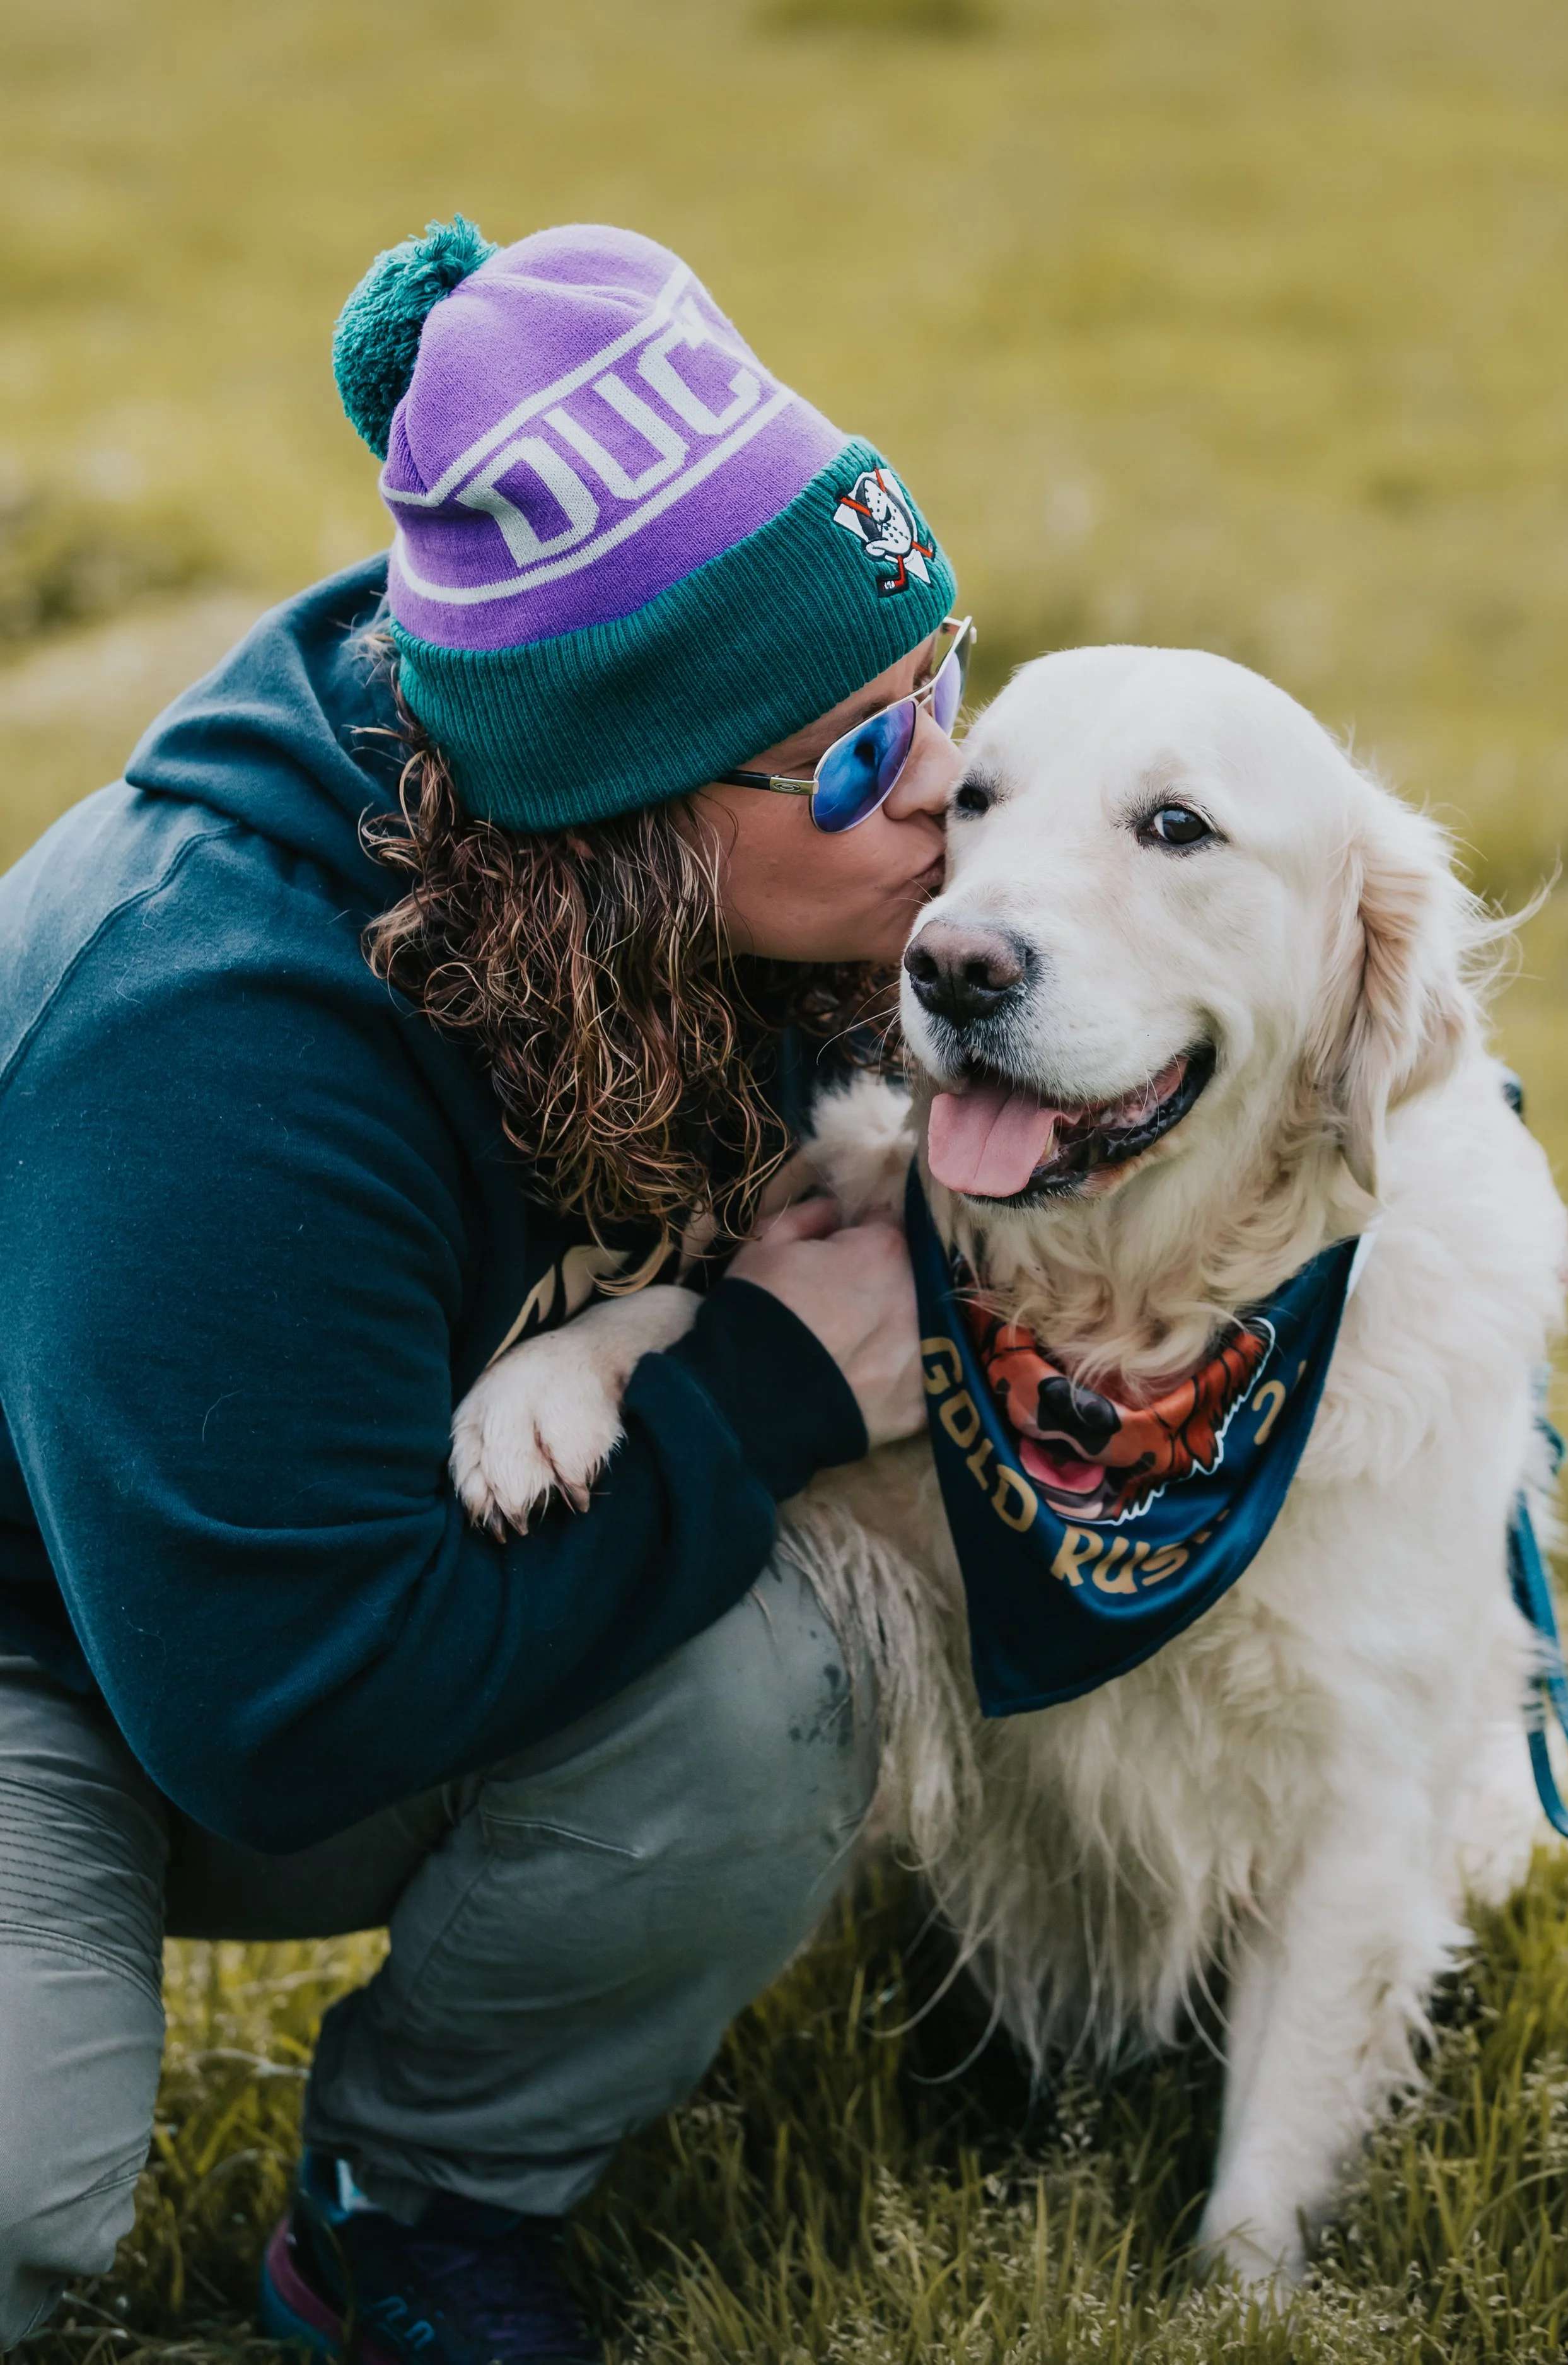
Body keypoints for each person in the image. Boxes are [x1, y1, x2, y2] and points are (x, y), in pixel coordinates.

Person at [0, 219, 970, 2362]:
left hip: (280, 1589)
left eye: (942, 686)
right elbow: (287, 1718)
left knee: (768, 1672)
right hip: (58, 1650)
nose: (938, 801)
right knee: (12, 2173)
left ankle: (414, 2212)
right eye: (843, 760)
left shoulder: (759, 899)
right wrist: (763, 1392)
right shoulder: (208, 1040)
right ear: (617, 818)